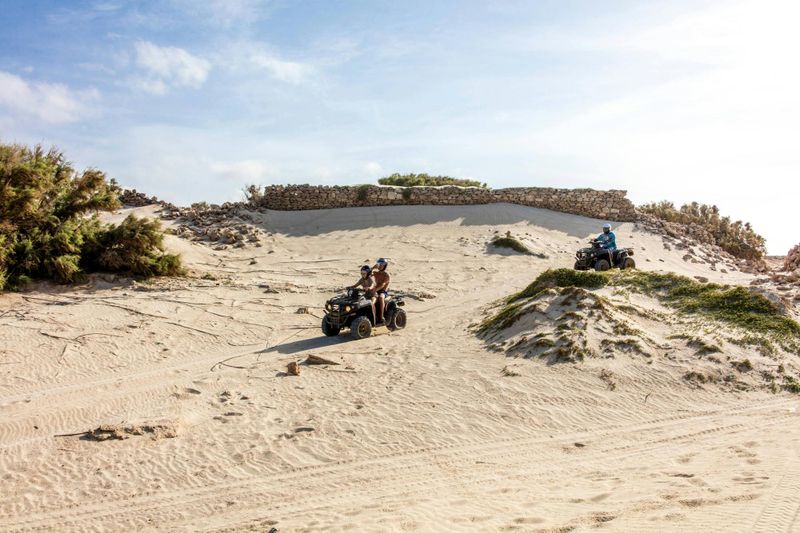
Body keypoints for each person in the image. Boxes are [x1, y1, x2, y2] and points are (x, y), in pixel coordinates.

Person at [371, 258, 391, 324]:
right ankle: (373, 316)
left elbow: (382, 285)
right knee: (370, 300)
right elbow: (367, 274)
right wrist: (373, 267)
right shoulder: (376, 273)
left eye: (381, 265)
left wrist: (375, 290)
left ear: (385, 266)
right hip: (375, 290)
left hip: (383, 291)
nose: (379, 266)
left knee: (381, 297)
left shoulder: (386, 275)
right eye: (379, 264)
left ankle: (381, 316)